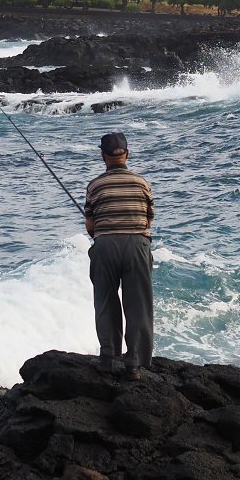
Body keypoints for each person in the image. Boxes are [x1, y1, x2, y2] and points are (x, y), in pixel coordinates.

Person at [84, 132, 154, 380]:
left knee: (105, 301)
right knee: (137, 305)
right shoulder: (142, 183)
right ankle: (134, 364)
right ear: (127, 153)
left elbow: (91, 227)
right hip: (137, 246)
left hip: (105, 246)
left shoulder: (94, 186)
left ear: (103, 156)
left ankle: (107, 357)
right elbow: (149, 218)